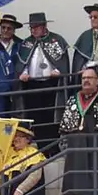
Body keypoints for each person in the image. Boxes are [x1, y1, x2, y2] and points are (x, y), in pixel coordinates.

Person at [13, 12, 71, 149]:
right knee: (35, 118)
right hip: (32, 85)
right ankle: (41, 148)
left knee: (51, 118)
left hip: (51, 84)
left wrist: (58, 71)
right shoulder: (27, 43)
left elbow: (62, 63)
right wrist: (24, 73)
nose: (33, 30)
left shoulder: (56, 40)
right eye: (31, 27)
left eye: (36, 27)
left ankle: (53, 149)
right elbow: (23, 64)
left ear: (44, 26)